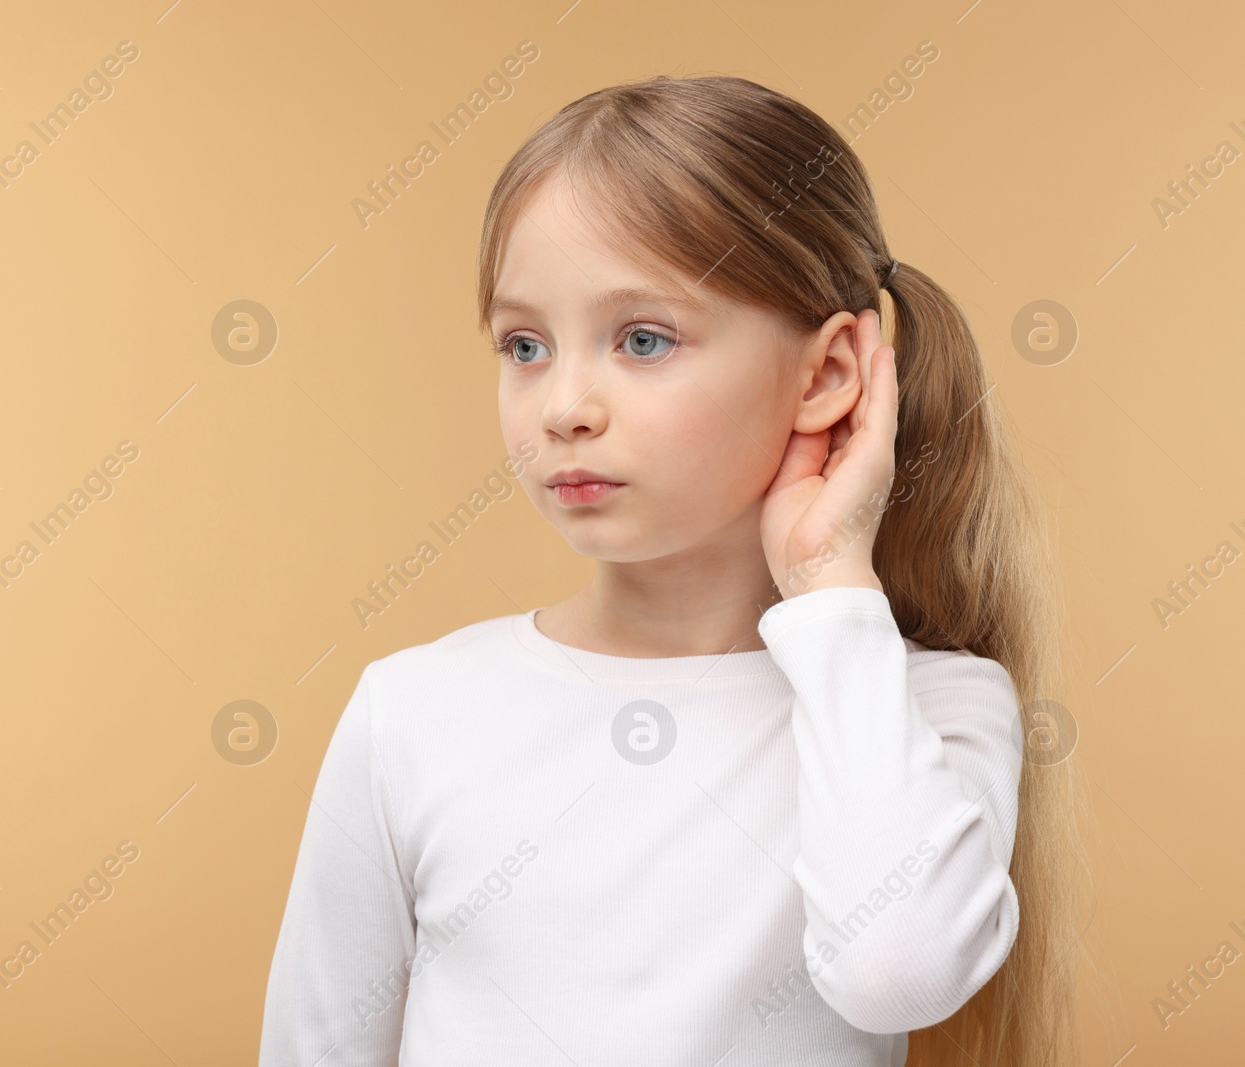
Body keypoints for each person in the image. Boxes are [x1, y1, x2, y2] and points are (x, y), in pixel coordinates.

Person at [259, 74, 1083, 1067]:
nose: (562, 403)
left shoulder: (927, 707)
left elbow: (896, 970)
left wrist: (827, 582)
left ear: (825, 375)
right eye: (525, 344)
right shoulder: (413, 710)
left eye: (642, 339)